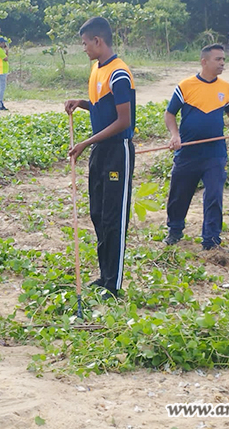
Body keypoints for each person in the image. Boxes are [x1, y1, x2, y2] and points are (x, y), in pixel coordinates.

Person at [163, 43, 229, 251]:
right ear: (204, 61)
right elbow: (170, 114)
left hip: (215, 153)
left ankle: (211, 241)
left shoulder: (225, 88)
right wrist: (174, 135)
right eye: (218, 59)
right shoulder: (185, 86)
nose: (222, 63)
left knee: (214, 196)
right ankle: (175, 230)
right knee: (179, 193)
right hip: (187, 151)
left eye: (223, 59)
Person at [64, 17, 136, 299]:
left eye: (85, 43)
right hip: (100, 150)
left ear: (98, 41)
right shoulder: (97, 69)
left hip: (118, 150)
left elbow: (123, 121)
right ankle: (104, 276)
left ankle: (114, 284)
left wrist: (86, 142)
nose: (83, 49)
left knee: (113, 217)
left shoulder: (120, 73)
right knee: (98, 214)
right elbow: (100, 106)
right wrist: (81, 103)